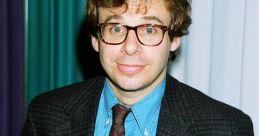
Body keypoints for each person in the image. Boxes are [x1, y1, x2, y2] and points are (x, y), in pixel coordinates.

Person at [22, 0, 254, 135]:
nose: (130, 47)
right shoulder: (45, 115)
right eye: (115, 28)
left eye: (150, 29)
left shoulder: (226, 129)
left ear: (174, 39)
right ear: (96, 39)